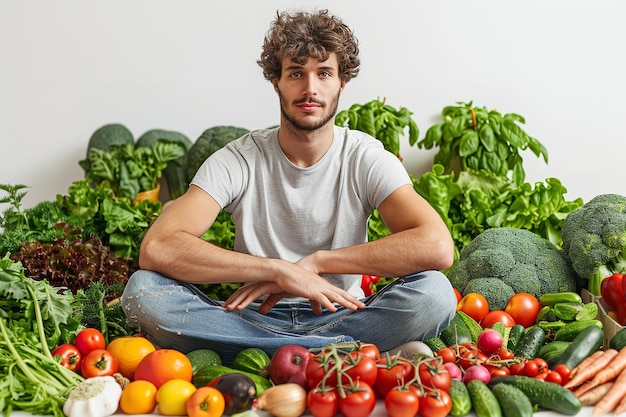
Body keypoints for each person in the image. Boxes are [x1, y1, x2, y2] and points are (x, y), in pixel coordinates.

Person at [121, 9, 457, 364]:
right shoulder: (239, 158)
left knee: (435, 294)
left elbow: (436, 246)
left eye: (324, 73)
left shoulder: (364, 157)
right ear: (276, 82)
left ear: (342, 82)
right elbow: (158, 247)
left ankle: (262, 356)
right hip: (251, 318)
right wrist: (279, 270)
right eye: (296, 73)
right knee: (142, 291)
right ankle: (342, 354)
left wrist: (318, 264)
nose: (310, 89)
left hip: (344, 314)